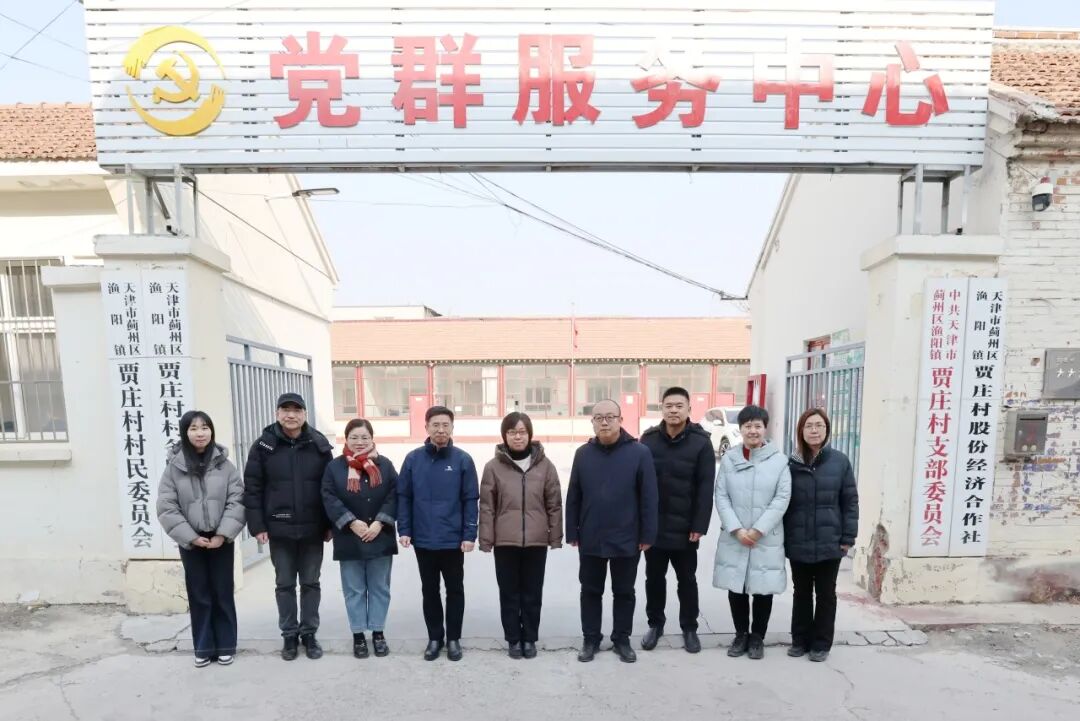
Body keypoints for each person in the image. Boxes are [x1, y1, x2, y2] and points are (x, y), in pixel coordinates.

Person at [243, 392, 334, 662]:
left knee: (310, 583)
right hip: (279, 528)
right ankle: (289, 635)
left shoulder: (319, 444)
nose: (291, 415)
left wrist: (329, 524)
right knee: (284, 584)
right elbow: (253, 489)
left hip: (312, 529)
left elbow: (330, 488)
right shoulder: (263, 446)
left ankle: (309, 633)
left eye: (296, 410)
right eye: (285, 410)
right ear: (277, 414)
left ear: (305, 414)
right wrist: (257, 525)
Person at [565, 399, 658, 664]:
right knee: (590, 590)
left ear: (620, 420)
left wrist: (647, 534)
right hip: (591, 535)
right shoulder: (583, 454)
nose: (604, 422)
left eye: (610, 417)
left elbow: (649, 497)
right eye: (598, 418)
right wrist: (572, 531)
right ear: (592, 422)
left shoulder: (639, 453)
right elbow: (574, 495)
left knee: (624, 591)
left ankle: (622, 639)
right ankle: (591, 639)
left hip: (627, 536)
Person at [156, 411, 245, 668]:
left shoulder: (225, 466)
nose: (200, 433)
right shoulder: (174, 468)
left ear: (211, 431)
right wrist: (191, 537)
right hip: (191, 541)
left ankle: (226, 645)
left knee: (222, 591)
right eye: (193, 428)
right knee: (199, 594)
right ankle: (203, 647)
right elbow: (167, 507)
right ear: (185, 433)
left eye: (205, 427)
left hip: (221, 539)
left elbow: (237, 500)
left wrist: (222, 534)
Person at [478, 412, 563, 660]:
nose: (518, 437)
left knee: (532, 593)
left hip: (536, 541)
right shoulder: (493, 467)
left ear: (530, 435)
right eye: (512, 432)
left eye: (522, 432)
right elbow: (487, 507)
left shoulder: (545, 466)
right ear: (505, 436)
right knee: (509, 593)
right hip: (505, 541)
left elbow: (554, 504)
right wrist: (486, 539)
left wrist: (555, 537)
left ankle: (530, 638)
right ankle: (513, 639)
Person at [397, 406, 479, 662]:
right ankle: (435, 638)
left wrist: (469, 534)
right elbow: (404, 497)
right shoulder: (413, 460)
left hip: (453, 540)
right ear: (426, 427)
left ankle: (453, 638)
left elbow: (470, 499)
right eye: (435, 425)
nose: (441, 429)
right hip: (423, 539)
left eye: (445, 425)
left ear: (452, 428)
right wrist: (405, 529)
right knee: (429, 590)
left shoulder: (463, 460)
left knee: (455, 590)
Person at [639, 386, 715, 654]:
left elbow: (706, 487)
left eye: (679, 406)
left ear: (689, 410)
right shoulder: (648, 440)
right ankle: (655, 625)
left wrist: (699, 525)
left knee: (687, 580)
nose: (673, 410)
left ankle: (690, 628)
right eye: (668, 405)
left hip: (686, 529)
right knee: (654, 579)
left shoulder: (701, 442)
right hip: (655, 527)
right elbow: (639, 484)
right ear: (661, 408)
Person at [713, 404, 791, 660]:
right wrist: (736, 529)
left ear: (765, 428)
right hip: (735, 536)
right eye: (748, 426)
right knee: (736, 586)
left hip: (765, 537)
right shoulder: (730, 459)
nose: (753, 431)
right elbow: (721, 495)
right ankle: (740, 635)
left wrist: (758, 530)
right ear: (741, 429)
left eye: (758, 426)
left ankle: (757, 637)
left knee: (762, 588)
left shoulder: (779, 461)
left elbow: (782, 498)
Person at [785, 408, 859, 662]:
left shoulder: (839, 461)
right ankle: (800, 640)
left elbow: (850, 501)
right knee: (801, 592)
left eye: (819, 425)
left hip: (831, 541)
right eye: (809, 426)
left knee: (826, 594)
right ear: (801, 431)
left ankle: (821, 644)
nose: (814, 430)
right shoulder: (791, 464)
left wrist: (848, 537)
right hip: (799, 539)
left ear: (827, 430)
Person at [321, 418, 399, 659]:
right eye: (354, 437)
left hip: (380, 535)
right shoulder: (335, 467)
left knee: (379, 588)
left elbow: (395, 494)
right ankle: (358, 635)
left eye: (364, 437)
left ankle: (378, 632)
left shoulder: (385, 465)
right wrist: (351, 522)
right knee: (354, 589)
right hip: (349, 536)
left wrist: (379, 522)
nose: (359, 442)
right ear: (346, 439)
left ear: (372, 439)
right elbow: (328, 496)